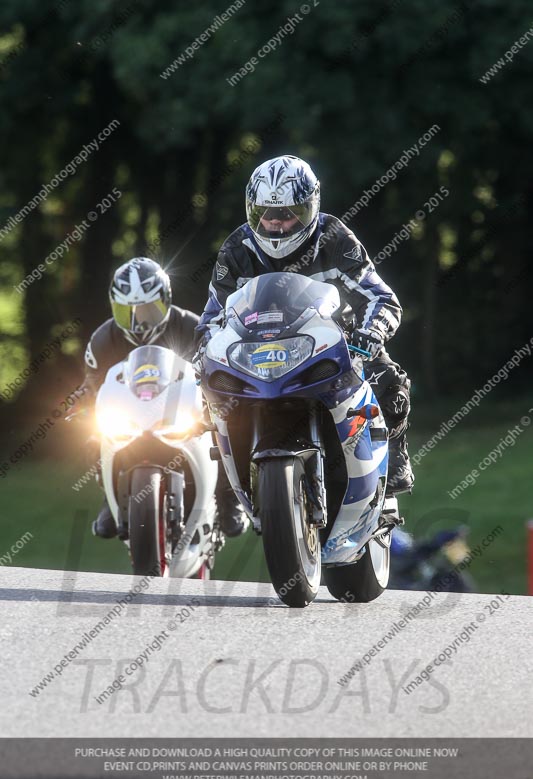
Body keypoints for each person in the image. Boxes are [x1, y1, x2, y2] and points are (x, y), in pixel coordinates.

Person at [196, 155, 414, 494]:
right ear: (251, 210)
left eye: (288, 213)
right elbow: (212, 317)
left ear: (311, 207)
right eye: (265, 213)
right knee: (210, 399)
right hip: (256, 355)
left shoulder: (335, 238)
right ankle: (229, 486)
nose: (276, 224)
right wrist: (204, 353)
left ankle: (395, 456)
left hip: (331, 347)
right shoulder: (236, 249)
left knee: (389, 381)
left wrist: (372, 332)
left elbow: (380, 297)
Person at [77, 257, 246, 538]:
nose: (137, 321)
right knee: (93, 438)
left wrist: (217, 402)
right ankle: (110, 496)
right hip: (129, 416)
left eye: (147, 310)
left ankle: (228, 497)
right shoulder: (103, 339)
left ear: (165, 301)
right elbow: (93, 382)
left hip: (182, 411)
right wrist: (81, 402)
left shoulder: (192, 327)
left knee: (223, 432)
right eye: (126, 312)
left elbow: (217, 370)